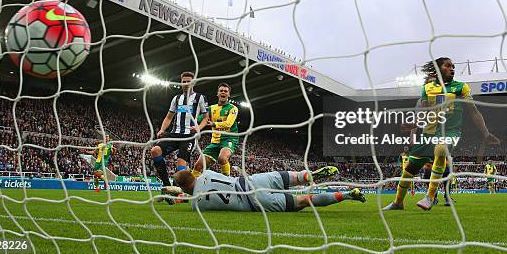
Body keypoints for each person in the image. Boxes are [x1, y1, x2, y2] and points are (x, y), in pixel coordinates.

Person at [384, 57, 500, 211]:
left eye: (453, 66)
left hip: (450, 131)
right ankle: (398, 202)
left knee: (440, 150)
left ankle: (430, 197)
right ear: (439, 69)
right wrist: (414, 124)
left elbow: (474, 112)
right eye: (448, 66)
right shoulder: (427, 88)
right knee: (410, 169)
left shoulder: (461, 87)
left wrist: (486, 134)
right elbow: (424, 114)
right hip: (428, 134)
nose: (452, 68)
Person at [164, 166, 365, 212]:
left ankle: (347, 195)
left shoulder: (198, 206)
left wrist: (175, 194)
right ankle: (309, 175)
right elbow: (195, 184)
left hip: (255, 202)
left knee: (305, 200)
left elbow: (191, 195)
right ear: (193, 174)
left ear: (183, 186)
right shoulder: (206, 173)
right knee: (294, 177)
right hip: (252, 181)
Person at [152, 71, 208, 203]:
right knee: (155, 150)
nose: (186, 83)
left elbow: (206, 118)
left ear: (193, 82)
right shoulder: (176, 99)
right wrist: (162, 130)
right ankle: (167, 186)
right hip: (174, 133)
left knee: (181, 165)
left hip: (189, 135)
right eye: (184, 81)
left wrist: (198, 128)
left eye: (189, 81)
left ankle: (180, 193)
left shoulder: (200, 98)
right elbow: (168, 117)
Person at [192, 83, 238, 177]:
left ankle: (227, 182)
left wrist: (213, 124)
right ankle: (191, 189)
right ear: (217, 93)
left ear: (229, 94)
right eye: (221, 91)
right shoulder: (211, 108)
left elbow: (228, 124)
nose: (223, 92)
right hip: (215, 142)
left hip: (229, 139)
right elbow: (200, 118)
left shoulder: (233, 108)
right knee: (198, 165)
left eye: (225, 91)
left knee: (222, 158)